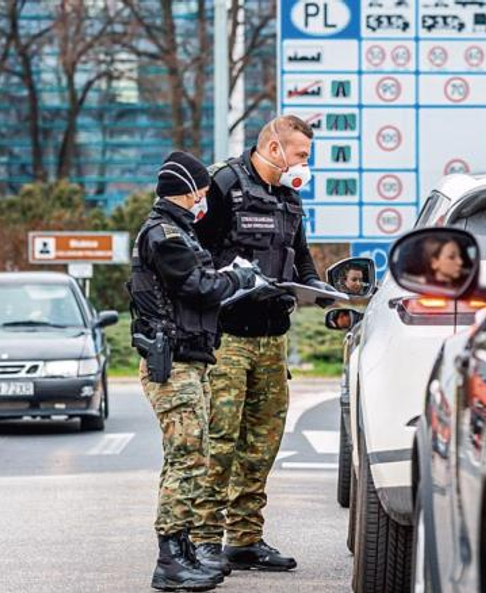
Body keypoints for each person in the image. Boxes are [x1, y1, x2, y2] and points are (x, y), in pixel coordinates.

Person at [192, 115, 332, 571]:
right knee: (220, 441)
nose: (305, 165)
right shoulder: (225, 185)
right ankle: (205, 540)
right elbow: (195, 254)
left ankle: (245, 538)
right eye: (301, 155)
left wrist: (317, 289)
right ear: (274, 148)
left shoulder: (289, 196)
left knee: (263, 443)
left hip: (274, 337)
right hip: (228, 337)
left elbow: (302, 256)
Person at [128, 151, 257, 592]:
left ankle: (182, 550)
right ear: (189, 191)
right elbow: (200, 289)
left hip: (190, 359)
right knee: (187, 457)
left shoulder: (180, 232)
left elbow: (198, 284)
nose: (205, 198)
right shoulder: (166, 235)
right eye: (202, 191)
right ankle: (170, 561)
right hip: (173, 362)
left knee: (190, 455)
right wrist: (240, 281)